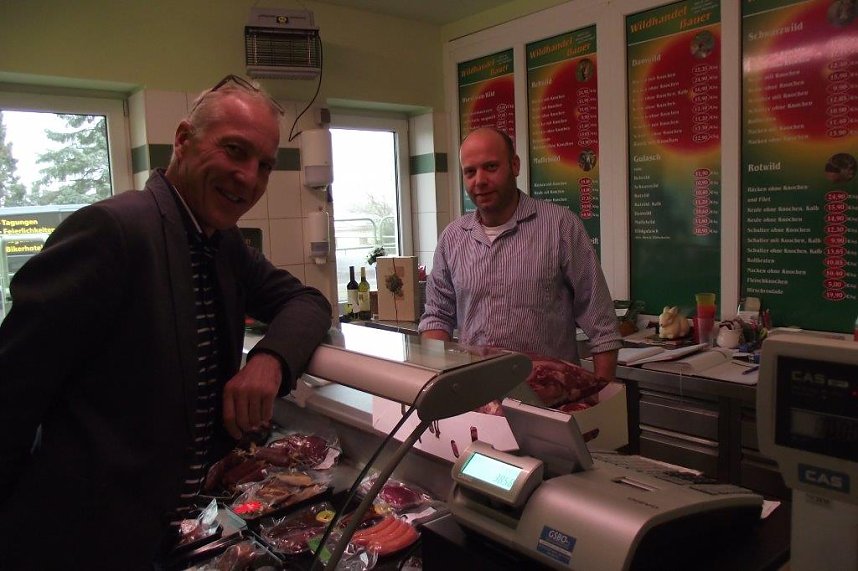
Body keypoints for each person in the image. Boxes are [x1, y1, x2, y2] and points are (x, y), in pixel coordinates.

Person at [0, 75, 332, 568]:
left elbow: (308, 302)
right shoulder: (112, 231)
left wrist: (269, 360)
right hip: (75, 539)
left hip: (158, 532)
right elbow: (11, 393)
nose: (249, 178)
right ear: (183, 140)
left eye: (264, 165)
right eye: (234, 151)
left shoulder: (222, 244)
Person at [419, 127, 620, 381]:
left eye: (491, 167)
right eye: (470, 172)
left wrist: (600, 397)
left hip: (549, 401)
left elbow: (602, 324)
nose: (479, 180)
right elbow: (437, 316)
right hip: (477, 397)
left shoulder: (559, 227)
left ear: (515, 166)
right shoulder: (453, 238)